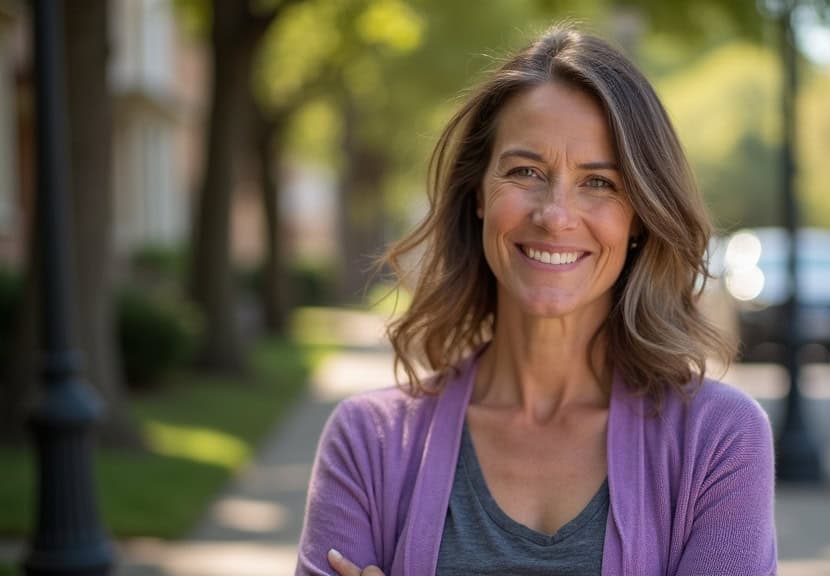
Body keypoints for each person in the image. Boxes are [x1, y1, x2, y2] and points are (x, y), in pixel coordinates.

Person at [295, 25, 777, 576]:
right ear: (477, 193)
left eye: (599, 183)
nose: (555, 214)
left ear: (639, 215)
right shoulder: (368, 443)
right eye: (526, 171)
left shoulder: (717, 442)